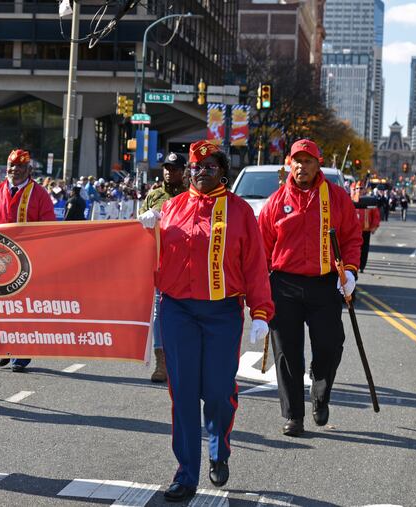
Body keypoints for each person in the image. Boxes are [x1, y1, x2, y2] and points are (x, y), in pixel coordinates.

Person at [138, 141, 273, 502]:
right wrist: (144, 231)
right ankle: (185, 472)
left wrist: (261, 312)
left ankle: (218, 449)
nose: (200, 172)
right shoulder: (171, 207)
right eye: (195, 167)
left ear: (222, 171)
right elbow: (144, 257)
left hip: (222, 312)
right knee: (182, 394)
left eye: (209, 166)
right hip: (177, 310)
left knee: (216, 391)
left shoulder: (241, 211)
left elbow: (256, 265)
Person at [258, 139, 361, 437]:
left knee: (330, 346)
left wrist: (351, 271)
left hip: (323, 284)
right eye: (296, 161)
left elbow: (352, 238)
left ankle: (320, 391)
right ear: (290, 164)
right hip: (284, 284)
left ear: (319, 164)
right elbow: (262, 246)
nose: (301, 166)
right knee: (287, 353)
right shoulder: (276, 201)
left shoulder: (338, 198)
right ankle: (293, 416)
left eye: (308, 161)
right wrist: (259, 286)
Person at [0, 148, 56, 372]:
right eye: (12, 166)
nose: (15, 170)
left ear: (28, 170)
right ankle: (6, 346)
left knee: (23, 308)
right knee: (2, 307)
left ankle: (22, 352)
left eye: (20, 167)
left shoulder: (40, 195)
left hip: (27, 261)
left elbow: (48, 227)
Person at [138, 152, 187, 383]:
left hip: (187, 263)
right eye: (167, 168)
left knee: (186, 310)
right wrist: (144, 218)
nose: (170, 172)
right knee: (159, 311)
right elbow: (137, 226)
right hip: (160, 261)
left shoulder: (191, 195)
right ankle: (162, 362)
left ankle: (184, 358)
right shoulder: (154, 194)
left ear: (183, 171)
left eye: (175, 168)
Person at [355, 195, 381, 273]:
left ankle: (362, 266)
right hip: (354, 231)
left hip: (365, 230)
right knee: (354, 249)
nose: (359, 191)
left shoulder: (369, 201)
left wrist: (374, 226)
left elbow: (375, 214)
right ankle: (354, 265)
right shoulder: (351, 200)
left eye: (361, 189)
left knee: (364, 249)